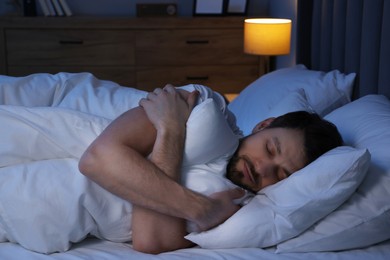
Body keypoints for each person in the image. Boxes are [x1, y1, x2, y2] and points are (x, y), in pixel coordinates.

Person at [78, 84, 343, 254]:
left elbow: (152, 242)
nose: (263, 168)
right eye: (271, 149)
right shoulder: (206, 106)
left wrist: (169, 129)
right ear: (263, 125)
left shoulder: (239, 206)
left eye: (282, 174)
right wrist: (202, 209)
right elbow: (97, 158)